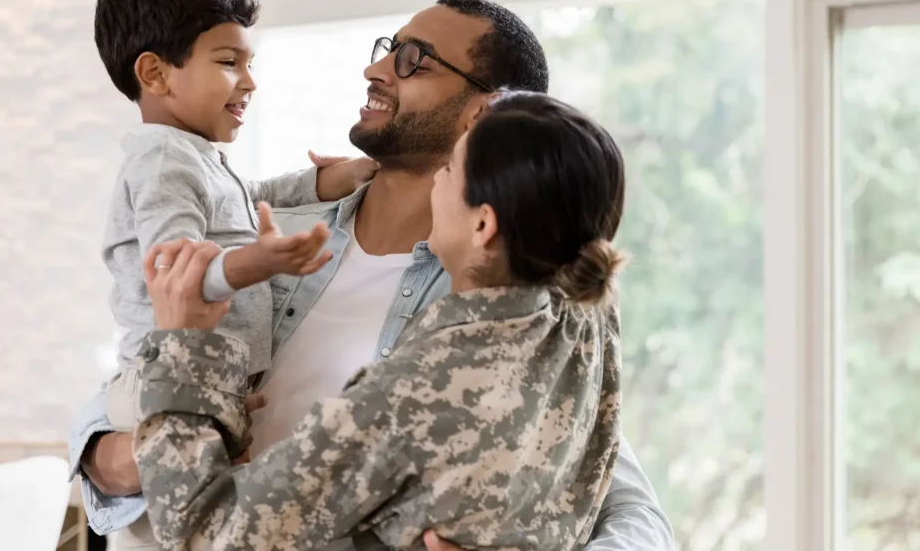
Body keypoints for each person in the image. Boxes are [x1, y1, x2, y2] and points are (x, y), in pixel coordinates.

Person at [70, 0, 674, 551]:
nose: (377, 70)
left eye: (414, 60)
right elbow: (133, 371)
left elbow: (626, 507)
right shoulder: (261, 231)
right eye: (389, 47)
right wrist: (117, 457)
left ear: (484, 113)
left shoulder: (533, 302)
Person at [134, 91, 626, 550]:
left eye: (450, 168)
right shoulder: (587, 315)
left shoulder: (417, 393)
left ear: (483, 224)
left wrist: (182, 343)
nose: (437, 177)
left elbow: (203, 528)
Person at [91, 0, 375, 547]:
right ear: (156, 73)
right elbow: (178, 270)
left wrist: (340, 177)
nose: (249, 82)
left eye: (250, 64)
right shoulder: (163, 161)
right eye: (228, 62)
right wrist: (260, 262)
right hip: (158, 382)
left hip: (195, 384)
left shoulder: (195, 159)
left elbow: (253, 197)